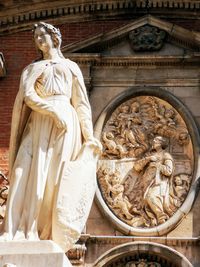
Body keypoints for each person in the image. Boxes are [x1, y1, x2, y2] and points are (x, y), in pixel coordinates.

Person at [0, 22, 101, 251]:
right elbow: (27, 95)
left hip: (66, 123)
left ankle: (43, 232)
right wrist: (50, 110)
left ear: (54, 38)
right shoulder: (31, 69)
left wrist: (90, 136)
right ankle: (17, 230)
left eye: (42, 35)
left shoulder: (71, 67)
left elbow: (82, 104)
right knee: (22, 172)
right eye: (35, 36)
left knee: (53, 179)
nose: (38, 40)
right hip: (39, 120)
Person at [132, 136, 174, 225]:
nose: (154, 141)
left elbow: (169, 171)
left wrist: (157, 165)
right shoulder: (149, 155)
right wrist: (148, 159)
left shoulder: (166, 155)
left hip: (158, 183)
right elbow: (136, 167)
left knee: (151, 197)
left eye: (156, 140)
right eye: (154, 140)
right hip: (145, 183)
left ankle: (161, 216)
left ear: (161, 143)